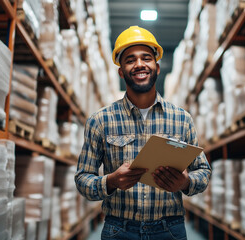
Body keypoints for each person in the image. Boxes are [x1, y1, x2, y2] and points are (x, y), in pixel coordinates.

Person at [75, 26, 212, 240]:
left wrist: (185, 183)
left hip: (169, 230)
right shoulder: (100, 120)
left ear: (156, 67)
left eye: (146, 58)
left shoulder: (182, 118)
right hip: (119, 230)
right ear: (121, 71)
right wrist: (110, 181)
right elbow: (83, 179)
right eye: (130, 60)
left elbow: (203, 172)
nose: (139, 64)